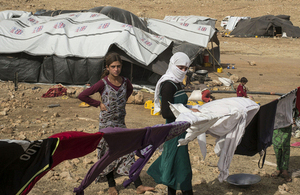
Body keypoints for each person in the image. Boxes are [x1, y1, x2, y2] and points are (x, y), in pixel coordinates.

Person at [78, 52, 154, 195]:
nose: (116, 69)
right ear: (107, 67)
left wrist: (121, 102)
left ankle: (138, 185)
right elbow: (82, 95)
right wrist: (98, 104)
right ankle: (111, 185)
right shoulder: (103, 83)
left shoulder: (125, 82)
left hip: (120, 123)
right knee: (108, 154)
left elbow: (129, 91)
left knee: (129, 152)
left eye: (118, 66)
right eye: (113, 67)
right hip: (106, 124)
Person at [148, 52, 194, 195]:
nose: (183, 71)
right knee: (182, 166)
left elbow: (179, 106)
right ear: (173, 65)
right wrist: (186, 112)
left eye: (185, 68)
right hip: (173, 130)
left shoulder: (177, 83)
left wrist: (191, 110)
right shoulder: (168, 85)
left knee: (174, 165)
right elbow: (166, 113)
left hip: (181, 129)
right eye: (180, 67)